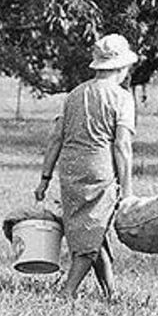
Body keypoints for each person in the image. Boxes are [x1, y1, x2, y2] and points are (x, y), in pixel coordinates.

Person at [34, 34, 137, 299]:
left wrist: (45, 178)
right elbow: (122, 146)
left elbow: (56, 137)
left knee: (92, 231)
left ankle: (110, 293)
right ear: (122, 68)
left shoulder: (74, 94)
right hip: (99, 172)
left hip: (70, 171)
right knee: (90, 238)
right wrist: (126, 191)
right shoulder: (122, 98)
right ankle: (68, 291)